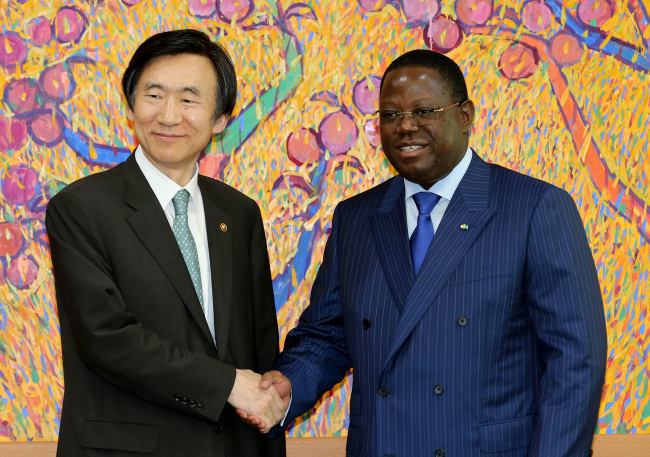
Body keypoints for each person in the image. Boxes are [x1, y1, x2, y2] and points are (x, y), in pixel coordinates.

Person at [243, 50, 607, 457]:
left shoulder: (534, 207)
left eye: (424, 110)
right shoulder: (356, 217)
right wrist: (286, 385)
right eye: (390, 115)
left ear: (465, 115)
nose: (405, 127)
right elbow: (328, 334)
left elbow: (575, 359)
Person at [46, 29, 286, 457]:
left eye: (189, 99)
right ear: (132, 106)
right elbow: (106, 338)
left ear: (219, 119)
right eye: (154, 95)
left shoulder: (239, 213)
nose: (169, 116)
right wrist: (228, 385)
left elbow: (259, 348)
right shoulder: (81, 208)